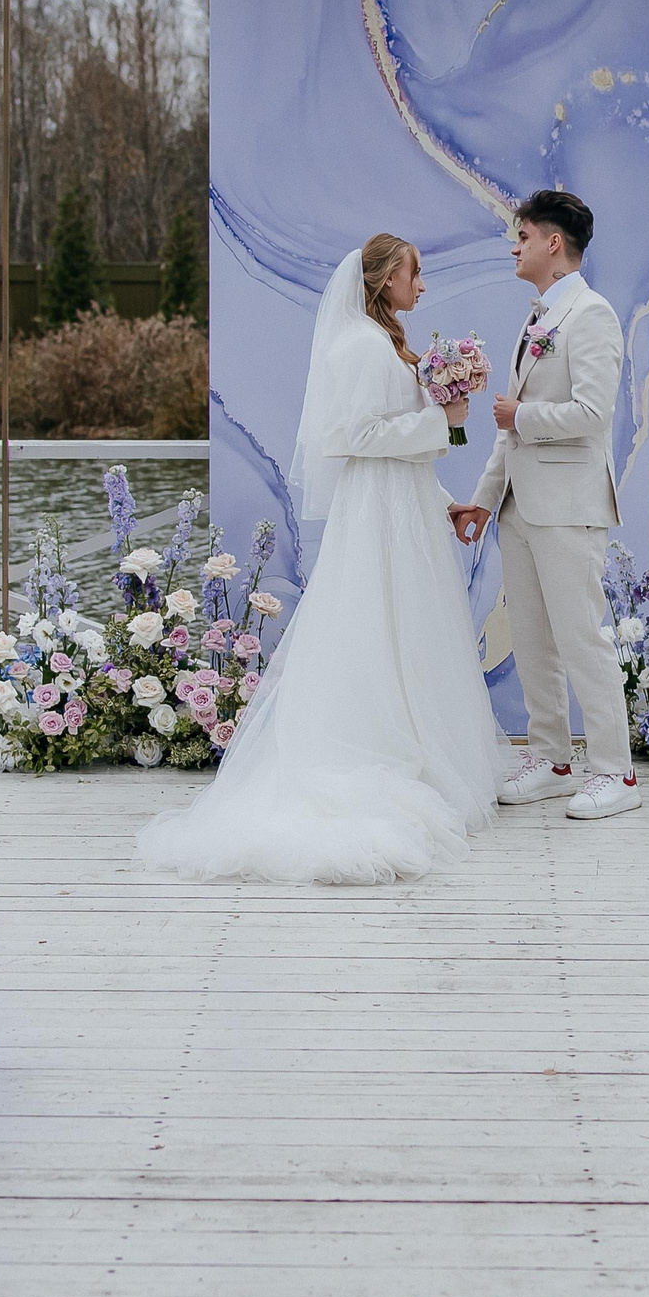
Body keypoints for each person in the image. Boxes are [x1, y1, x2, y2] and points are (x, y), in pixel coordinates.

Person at [138, 234, 503, 883]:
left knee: (399, 628)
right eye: (415, 274)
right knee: (381, 625)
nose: (422, 286)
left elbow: (389, 446)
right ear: (387, 277)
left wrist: (444, 498)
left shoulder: (377, 341)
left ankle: (409, 740)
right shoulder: (362, 346)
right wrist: (446, 419)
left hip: (399, 506)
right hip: (381, 517)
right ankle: (382, 745)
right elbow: (354, 438)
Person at [447, 190, 640, 820]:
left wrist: (521, 414)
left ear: (552, 242)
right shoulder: (537, 319)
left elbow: (592, 416)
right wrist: (481, 502)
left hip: (568, 506)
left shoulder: (592, 314)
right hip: (518, 509)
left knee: (582, 637)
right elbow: (509, 432)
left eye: (523, 236)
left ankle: (616, 772)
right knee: (531, 639)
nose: (515, 246)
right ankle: (555, 760)